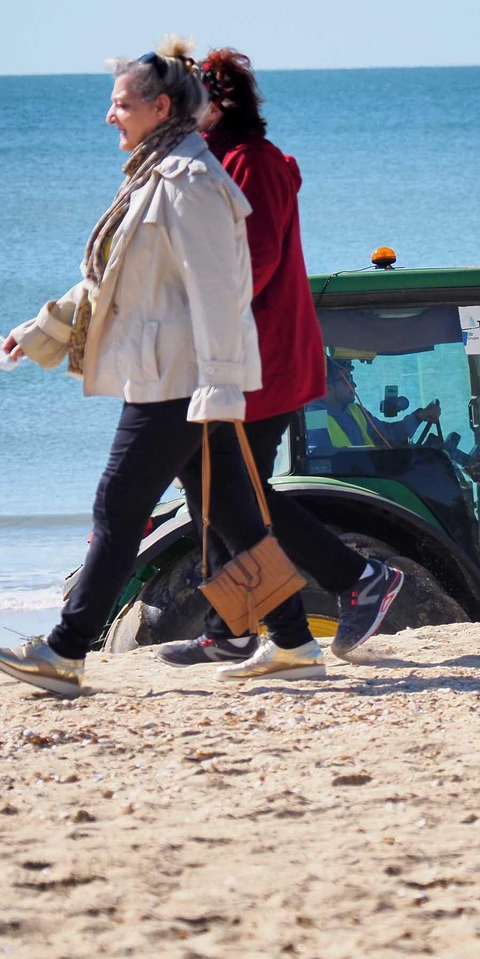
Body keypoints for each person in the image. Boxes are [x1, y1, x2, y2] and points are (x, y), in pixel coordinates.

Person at [0, 36, 301, 696]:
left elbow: (221, 291)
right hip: (169, 375)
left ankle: (64, 653)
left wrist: (218, 384)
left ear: (158, 107)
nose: (109, 115)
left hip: (177, 382)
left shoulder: (190, 183)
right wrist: (35, 334)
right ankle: (295, 642)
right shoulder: (156, 178)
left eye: (120, 104)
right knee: (233, 513)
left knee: (117, 506)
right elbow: (109, 283)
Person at [156, 47, 406, 670]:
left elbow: (252, 265)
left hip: (259, 362)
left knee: (231, 495)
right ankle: (233, 627)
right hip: (244, 360)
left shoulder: (253, 164)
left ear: (215, 104)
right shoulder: (226, 161)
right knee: (219, 491)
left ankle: (357, 576)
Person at [309, 354, 440, 450]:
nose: (354, 385)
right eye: (346, 379)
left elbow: (388, 434)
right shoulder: (314, 416)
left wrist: (418, 417)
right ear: (327, 388)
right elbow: (320, 456)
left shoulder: (354, 411)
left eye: (351, 378)